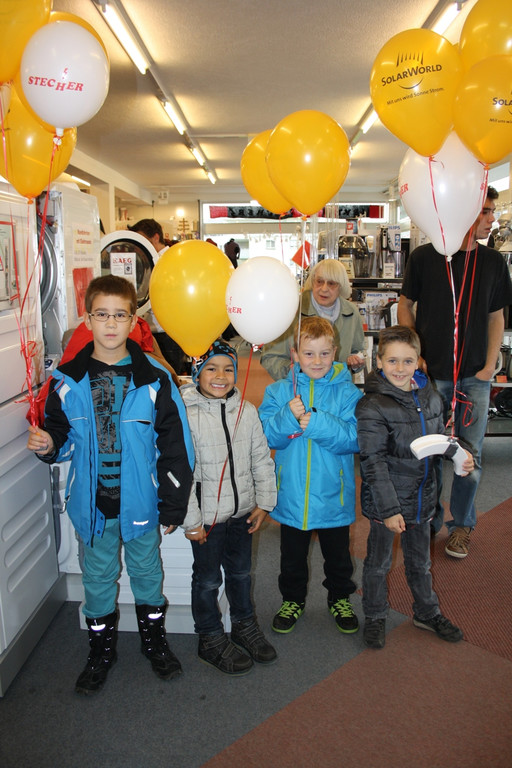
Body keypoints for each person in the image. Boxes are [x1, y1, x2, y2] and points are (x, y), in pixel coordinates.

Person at [27, 275, 194, 695]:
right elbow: (61, 437)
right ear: (87, 319)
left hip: (141, 503)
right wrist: (49, 445)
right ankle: (100, 650)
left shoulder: (156, 378)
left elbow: (176, 447)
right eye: (102, 315)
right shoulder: (67, 380)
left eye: (120, 315)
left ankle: (154, 643)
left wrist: (173, 503)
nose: (111, 324)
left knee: (147, 574)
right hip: (93, 506)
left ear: (134, 321)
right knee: (98, 578)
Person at [398, 186, 512, 558]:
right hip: (433, 375)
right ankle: (428, 520)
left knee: (470, 456)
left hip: (475, 377)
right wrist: (414, 354)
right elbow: (405, 304)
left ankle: (462, 525)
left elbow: (496, 316)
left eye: (493, 211)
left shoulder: (494, 262)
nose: (492, 219)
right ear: (464, 209)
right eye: (486, 211)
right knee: (429, 452)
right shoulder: (424, 257)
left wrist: (489, 366)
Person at [356, 326, 473, 649]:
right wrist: (389, 510)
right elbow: (372, 462)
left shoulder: (431, 397)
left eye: (407, 361)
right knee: (378, 564)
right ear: (379, 361)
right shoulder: (372, 406)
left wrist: (461, 455)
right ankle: (375, 615)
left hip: (422, 499)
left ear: (418, 361)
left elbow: (441, 440)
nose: (400, 368)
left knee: (420, 563)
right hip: (387, 503)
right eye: (392, 361)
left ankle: (427, 612)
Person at [259, 316, 363, 635]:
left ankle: (339, 597)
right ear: (294, 354)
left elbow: (356, 439)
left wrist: (317, 423)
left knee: (338, 557)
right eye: (308, 353)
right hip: (292, 494)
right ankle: (292, 600)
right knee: (291, 558)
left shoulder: (348, 394)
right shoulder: (278, 392)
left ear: (335, 352)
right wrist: (288, 417)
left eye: (324, 353)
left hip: (333, 495)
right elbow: (266, 436)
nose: (317, 361)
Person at [181, 340, 277, 675]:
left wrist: (264, 501)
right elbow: (181, 472)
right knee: (207, 580)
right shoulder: (185, 414)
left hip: (242, 513)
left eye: (228, 369)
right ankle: (209, 636)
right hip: (206, 519)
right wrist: (191, 520)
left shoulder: (246, 411)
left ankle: (243, 624)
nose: (220, 376)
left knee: (240, 573)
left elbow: (261, 459)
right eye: (211, 368)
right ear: (197, 372)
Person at [260, 259, 365, 381]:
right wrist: (296, 373)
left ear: (341, 286)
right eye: (319, 281)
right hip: (299, 388)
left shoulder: (352, 312)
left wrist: (355, 363)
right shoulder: (292, 309)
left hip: (337, 388)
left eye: (331, 283)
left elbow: (358, 351)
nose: (324, 289)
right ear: (312, 281)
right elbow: (270, 357)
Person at [130, 218, 190, 375]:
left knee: (169, 375)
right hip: (153, 330)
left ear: (155, 237)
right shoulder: (148, 260)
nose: (138, 244)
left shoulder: (171, 259)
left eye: (141, 238)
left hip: (167, 332)